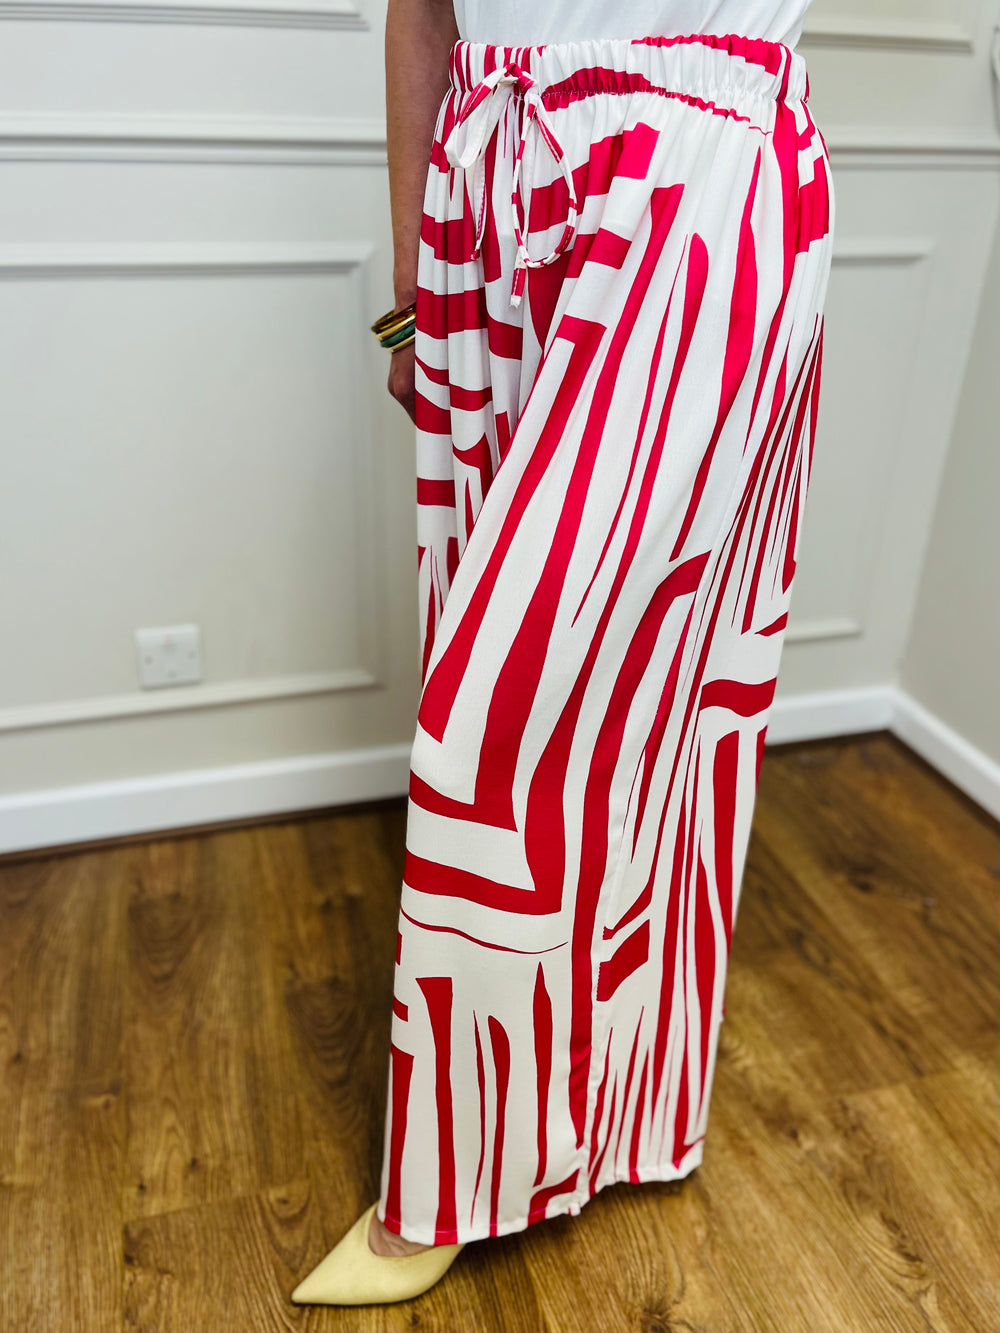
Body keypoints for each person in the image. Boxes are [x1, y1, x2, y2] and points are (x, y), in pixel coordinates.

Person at [292, 0, 834, 1306]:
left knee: (550, 705)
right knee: (555, 674)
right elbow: (420, 13)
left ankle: (451, 1177)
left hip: (696, 164)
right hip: (484, 177)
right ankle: (625, 1100)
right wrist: (414, 292)